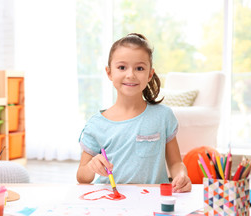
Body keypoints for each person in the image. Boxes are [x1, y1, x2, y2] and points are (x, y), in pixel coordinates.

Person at [77, 33, 191, 193]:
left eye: (139, 68)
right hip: (111, 202)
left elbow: (175, 163)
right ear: (109, 73)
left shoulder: (163, 116)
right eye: (122, 67)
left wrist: (181, 175)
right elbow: (82, 176)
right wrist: (91, 167)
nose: (130, 74)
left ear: (150, 74)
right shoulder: (96, 124)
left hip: (153, 201)